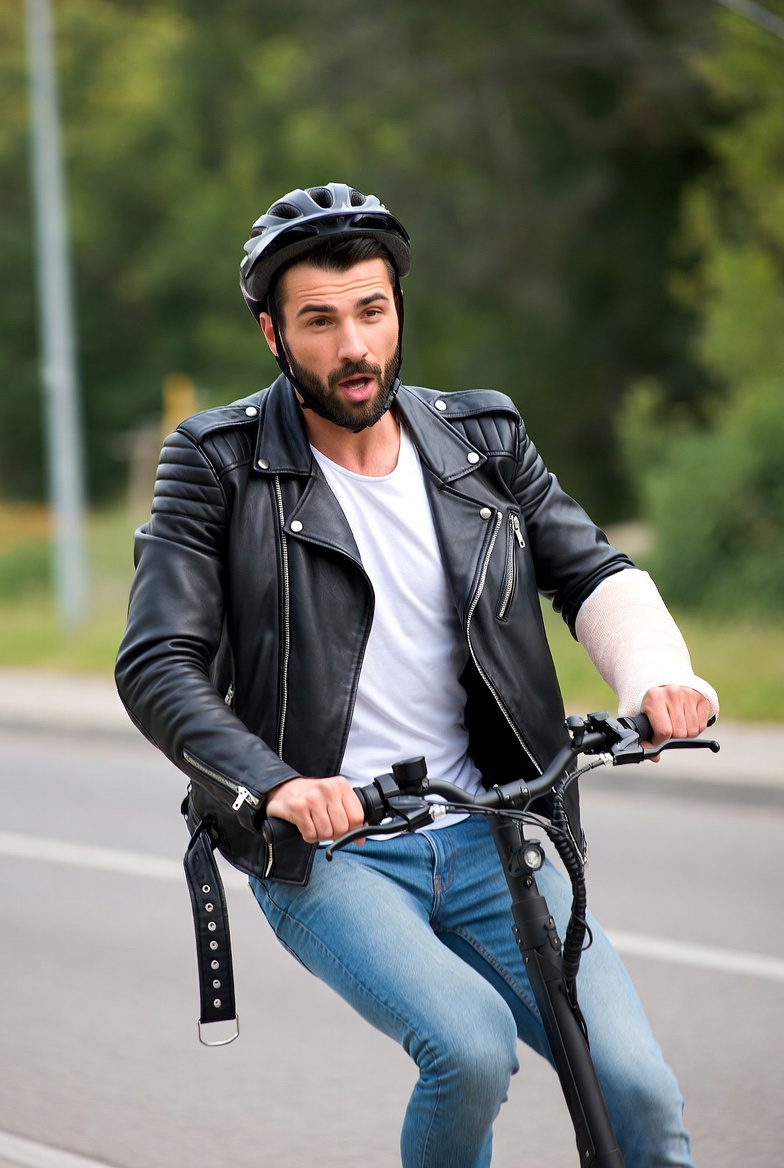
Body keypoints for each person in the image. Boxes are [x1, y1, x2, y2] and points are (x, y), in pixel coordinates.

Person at [116, 182, 718, 1168]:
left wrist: (657, 677)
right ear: (274, 333)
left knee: (638, 1093)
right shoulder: (216, 462)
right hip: (333, 850)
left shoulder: (483, 440)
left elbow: (590, 571)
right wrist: (277, 784)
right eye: (320, 321)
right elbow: (158, 661)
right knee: (469, 1051)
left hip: (493, 832)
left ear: (398, 309)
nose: (354, 345)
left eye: (371, 311)